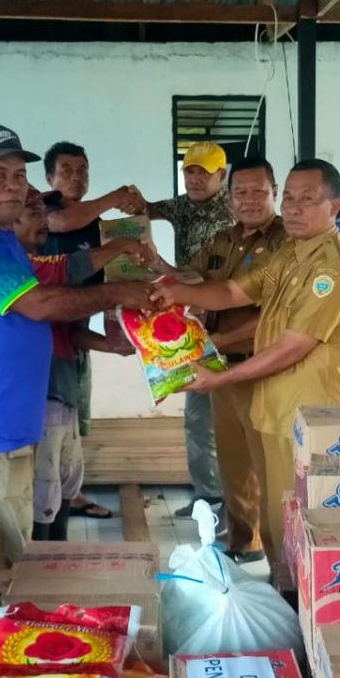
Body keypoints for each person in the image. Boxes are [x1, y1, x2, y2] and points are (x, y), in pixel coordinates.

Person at [0, 124, 152, 564]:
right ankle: (0, 627)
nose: (11, 186)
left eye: (17, 175)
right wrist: (119, 293)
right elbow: (39, 303)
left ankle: (19, 625)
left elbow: (56, 275)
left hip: (16, 416)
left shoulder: (1, 236)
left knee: (17, 539)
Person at [152, 159, 340, 561]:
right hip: (275, 405)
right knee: (274, 515)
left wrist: (221, 377)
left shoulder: (332, 268)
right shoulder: (290, 258)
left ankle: (303, 610)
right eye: (290, 198)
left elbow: (292, 347)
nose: (294, 208)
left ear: (333, 207)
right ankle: (281, 595)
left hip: (308, 415)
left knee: (302, 523)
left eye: (308, 199)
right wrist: (175, 295)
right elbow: (233, 292)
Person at [13, 187, 148, 541]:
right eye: (34, 214)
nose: (43, 221)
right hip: (42, 392)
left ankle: (57, 561)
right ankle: (44, 564)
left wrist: (109, 345)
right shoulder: (18, 263)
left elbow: (67, 331)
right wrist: (119, 248)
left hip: (64, 387)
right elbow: (70, 269)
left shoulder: (36, 261)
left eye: (44, 213)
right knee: (45, 488)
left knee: (63, 482)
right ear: (11, 221)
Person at [184, 157, 288, 563]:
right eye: (240, 192)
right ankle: (244, 544)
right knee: (232, 462)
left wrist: (220, 338)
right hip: (220, 368)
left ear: (274, 192)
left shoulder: (286, 243)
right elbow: (193, 280)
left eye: (258, 191)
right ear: (229, 197)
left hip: (262, 366)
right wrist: (154, 272)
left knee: (268, 465)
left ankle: (283, 559)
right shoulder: (223, 240)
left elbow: (274, 316)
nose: (248, 200)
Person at [42, 140, 140, 520]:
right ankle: (48, 508)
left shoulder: (99, 227)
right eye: (67, 170)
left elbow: (109, 282)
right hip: (45, 335)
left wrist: (117, 334)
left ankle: (70, 495)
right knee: (51, 418)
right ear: (49, 178)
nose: (76, 176)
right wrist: (115, 196)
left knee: (75, 415)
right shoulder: (44, 210)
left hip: (75, 335)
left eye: (83, 169)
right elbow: (65, 222)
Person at [137, 142, 235, 517]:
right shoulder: (183, 205)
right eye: (190, 171)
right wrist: (130, 208)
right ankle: (209, 496)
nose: (195, 179)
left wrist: (160, 265)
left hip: (228, 322)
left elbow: (204, 278)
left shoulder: (230, 214)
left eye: (204, 173)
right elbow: (146, 209)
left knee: (226, 419)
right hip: (193, 323)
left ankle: (235, 502)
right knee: (198, 416)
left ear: (221, 177)